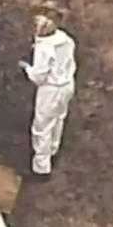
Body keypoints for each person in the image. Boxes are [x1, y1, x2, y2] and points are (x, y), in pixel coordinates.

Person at [18, 14, 77, 180]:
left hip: (51, 90)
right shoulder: (66, 40)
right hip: (67, 85)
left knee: (41, 127)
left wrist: (26, 68)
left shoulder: (45, 48)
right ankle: (53, 149)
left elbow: (39, 77)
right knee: (59, 118)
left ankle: (41, 168)